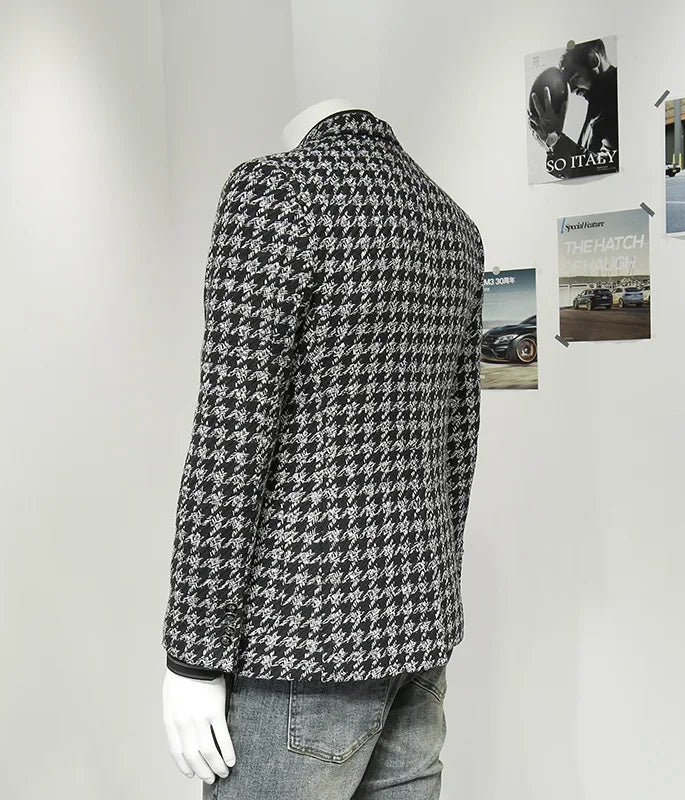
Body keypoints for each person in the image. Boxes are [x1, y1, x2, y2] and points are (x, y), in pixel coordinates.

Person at [161, 101, 485, 800]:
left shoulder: (278, 192)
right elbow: (458, 441)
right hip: (419, 634)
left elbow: (231, 434)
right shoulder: (455, 228)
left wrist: (192, 658)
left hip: (300, 642)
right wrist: (427, 594)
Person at [528, 38, 619, 180]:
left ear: (593, 60)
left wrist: (556, 141)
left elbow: (607, 168)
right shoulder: (598, 102)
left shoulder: (617, 95)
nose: (572, 90)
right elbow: (585, 170)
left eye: (574, 78)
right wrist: (551, 144)